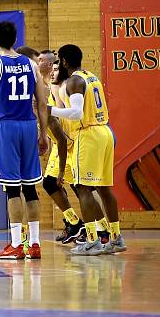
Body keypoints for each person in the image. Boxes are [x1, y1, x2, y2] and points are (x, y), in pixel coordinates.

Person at [0, 21, 49, 260]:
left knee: (12, 189)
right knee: (31, 188)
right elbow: (42, 103)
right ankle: (34, 243)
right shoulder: (31, 65)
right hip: (28, 125)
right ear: (15, 40)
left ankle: (16, 244)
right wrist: (43, 134)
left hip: (6, 128)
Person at [52, 44, 126, 255]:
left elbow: (76, 113)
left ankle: (92, 240)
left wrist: (50, 110)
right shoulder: (90, 76)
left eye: (59, 61)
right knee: (104, 188)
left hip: (89, 134)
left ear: (65, 61)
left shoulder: (74, 80)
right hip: (105, 132)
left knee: (83, 188)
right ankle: (116, 238)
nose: (58, 64)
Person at [18, 47, 86, 244]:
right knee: (52, 184)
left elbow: (59, 122)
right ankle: (75, 223)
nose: (37, 63)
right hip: (61, 141)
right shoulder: (44, 85)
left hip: (70, 140)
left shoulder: (53, 87)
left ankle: (98, 230)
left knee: (79, 187)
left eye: (40, 60)